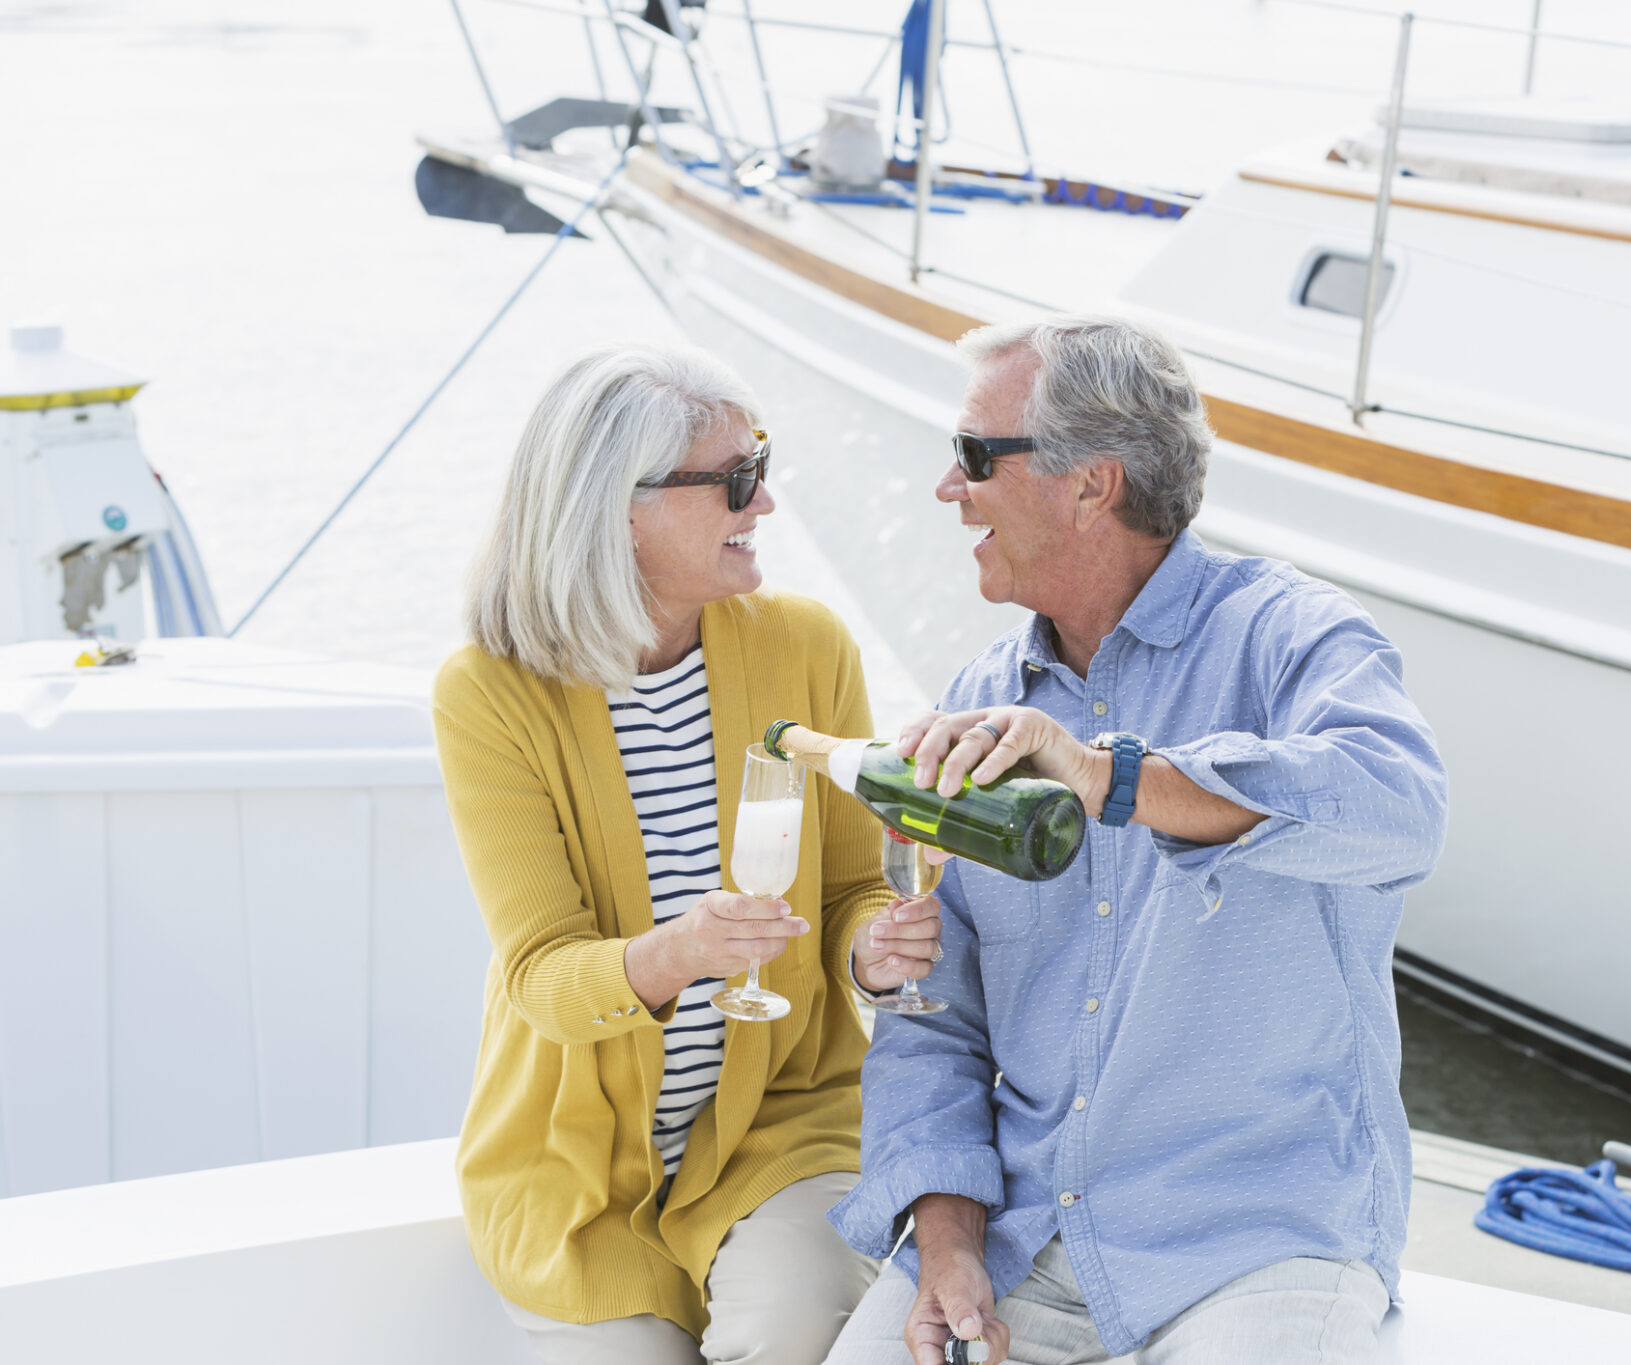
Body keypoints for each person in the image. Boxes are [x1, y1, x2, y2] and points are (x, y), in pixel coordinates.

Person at [823, 316, 1449, 1365]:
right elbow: (935, 1016)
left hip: (1255, 1247)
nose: (948, 486)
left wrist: (1104, 774)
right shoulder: (980, 702)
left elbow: (1397, 809)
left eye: (975, 455)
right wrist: (944, 1242)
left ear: (1089, 484)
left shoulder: (1291, 636)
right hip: (1019, 1239)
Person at [432, 343, 942, 1365]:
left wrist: (869, 950)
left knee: (794, 1326)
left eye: (764, 469)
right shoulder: (488, 693)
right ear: (619, 507)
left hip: (777, 1128)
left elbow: (844, 889)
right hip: (573, 1167)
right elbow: (539, 978)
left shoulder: (804, 645)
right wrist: (679, 953)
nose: (764, 507)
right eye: (737, 481)